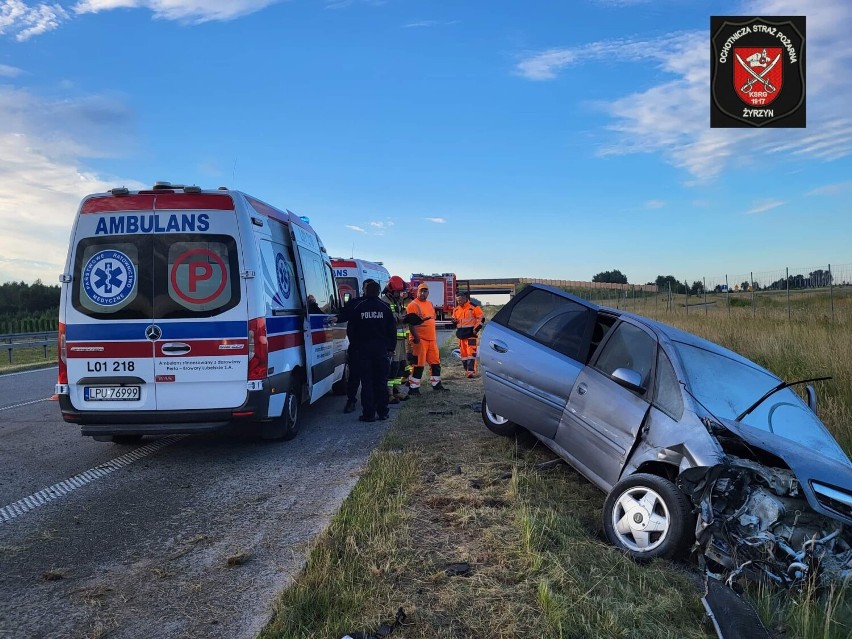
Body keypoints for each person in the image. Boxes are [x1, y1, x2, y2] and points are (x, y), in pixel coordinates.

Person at [346, 279, 396, 422]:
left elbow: (351, 330)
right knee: (381, 382)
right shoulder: (385, 307)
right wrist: (390, 348)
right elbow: (391, 331)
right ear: (379, 292)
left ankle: (369, 414)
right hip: (381, 351)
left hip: (363, 351)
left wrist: (355, 345)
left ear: (366, 291)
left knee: (367, 382)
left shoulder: (359, 307)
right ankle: (383, 412)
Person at [338, 279, 377, 413]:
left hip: (375, 347)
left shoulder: (381, 305)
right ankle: (351, 400)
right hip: (357, 346)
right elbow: (342, 315)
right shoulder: (355, 304)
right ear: (363, 289)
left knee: (374, 377)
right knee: (354, 375)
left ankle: (372, 402)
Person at [404, 282, 448, 394]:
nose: (423, 293)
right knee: (419, 364)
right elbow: (410, 323)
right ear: (417, 292)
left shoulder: (430, 304)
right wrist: (416, 337)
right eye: (421, 291)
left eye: (425, 291)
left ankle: (436, 384)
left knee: (435, 362)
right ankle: (413, 389)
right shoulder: (413, 305)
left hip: (431, 339)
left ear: (428, 292)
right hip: (420, 339)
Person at [382, 276, 413, 402]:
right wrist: (403, 318)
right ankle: (388, 394)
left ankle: (397, 390)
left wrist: (405, 317)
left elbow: (401, 316)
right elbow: (392, 319)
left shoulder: (398, 300)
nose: (400, 294)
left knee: (400, 366)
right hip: (391, 341)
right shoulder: (385, 302)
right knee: (392, 367)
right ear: (390, 291)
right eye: (397, 292)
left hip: (400, 340)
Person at [451, 292, 485, 378]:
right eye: (458, 300)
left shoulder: (474, 307)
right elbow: (455, 320)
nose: (459, 302)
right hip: (461, 336)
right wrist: (454, 322)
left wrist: (476, 329)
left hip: (471, 334)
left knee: (471, 354)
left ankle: (471, 372)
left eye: (461, 300)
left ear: (465, 299)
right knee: (464, 355)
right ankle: (467, 371)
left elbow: (481, 318)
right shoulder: (456, 309)